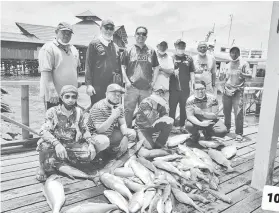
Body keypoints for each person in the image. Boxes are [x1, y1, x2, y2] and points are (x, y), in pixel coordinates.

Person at [36, 85, 96, 182]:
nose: (70, 99)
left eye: (73, 97)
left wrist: (91, 144)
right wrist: (57, 144)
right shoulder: (52, 111)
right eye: (67, 96)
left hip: (70, 144)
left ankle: (60, 162)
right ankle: (41, 167)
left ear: (76, 98)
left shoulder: (79, 112)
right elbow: (43, 131)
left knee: (88, 155)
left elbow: (85, 129)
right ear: (61, 97)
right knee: (43, 145)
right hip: (55, 145)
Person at [121, 26, 160, 128]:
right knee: (128, 111)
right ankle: (127, 132)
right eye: (138, 33)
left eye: (143, 34)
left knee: (145, 112)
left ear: (146, 36)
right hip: (131, 88)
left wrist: (153, 82)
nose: (141, 36)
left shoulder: (151, 51)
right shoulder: (128, 50)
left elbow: (156, 67)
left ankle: (141, 132)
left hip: (146, 89)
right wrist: (126, 81)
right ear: (134, 35)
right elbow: (122, 67)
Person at [87, 84, 136, 158]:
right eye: (114, 94)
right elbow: (100, 130)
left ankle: (110, 149)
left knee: (132, 133)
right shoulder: (99, 107)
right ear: (106, 94)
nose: (117, 97)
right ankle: (95, 155)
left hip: (109, 133)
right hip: (94, 135)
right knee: (104, 141)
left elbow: (122, 124)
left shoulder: (118, 106)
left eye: (119, 95)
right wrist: (113, 116)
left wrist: (125, 136)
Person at [39, 22, 79, 110]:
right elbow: (46, 71)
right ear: (56, 32)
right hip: (55, 96)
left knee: (72, 121)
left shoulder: (74, 49)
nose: (66, 35)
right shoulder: (48, 48)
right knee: (54, 122)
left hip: (71, 96)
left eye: (69, 33)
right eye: (63, 32)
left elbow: (75, 70)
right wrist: (52, 91)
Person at [85, 19, 122, 107]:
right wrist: (89, 85)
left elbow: (119, 68)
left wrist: (120, 86)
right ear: (101, 28)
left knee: (113, 112)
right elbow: (88, 65)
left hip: (113, 86)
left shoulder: (115, 47)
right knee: (98, 112)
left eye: (111, 28)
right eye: (106, 28)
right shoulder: (94, 44)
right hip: (98, 87)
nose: (108, 31)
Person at [222, 46, 252, 141]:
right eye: (232, 52)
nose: (234, 54)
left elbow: (250, 76)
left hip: (238, 92)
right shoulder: (227, 65)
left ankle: (239, 133)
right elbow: (224, 79)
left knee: (238, 113)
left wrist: (243, 75)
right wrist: (222, 78)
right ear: (230, 54)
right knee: (226, 112)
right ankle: (226, 128)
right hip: (226, 91)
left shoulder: (244, 64)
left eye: (236, 52)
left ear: (239, 53)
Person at [169, 39, 195, 133]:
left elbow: (192, 73)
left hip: (185, 89)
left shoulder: (189, 58)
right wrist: (172, 72)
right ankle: (171, 125)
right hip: (173, 88)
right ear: (175, 47)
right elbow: (167, 71)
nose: (181, 48)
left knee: (184, 108)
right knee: (172, 107)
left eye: (183, 46)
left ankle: (182, 125)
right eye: (179, 46)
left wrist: (193, 85)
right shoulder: (171, 58)